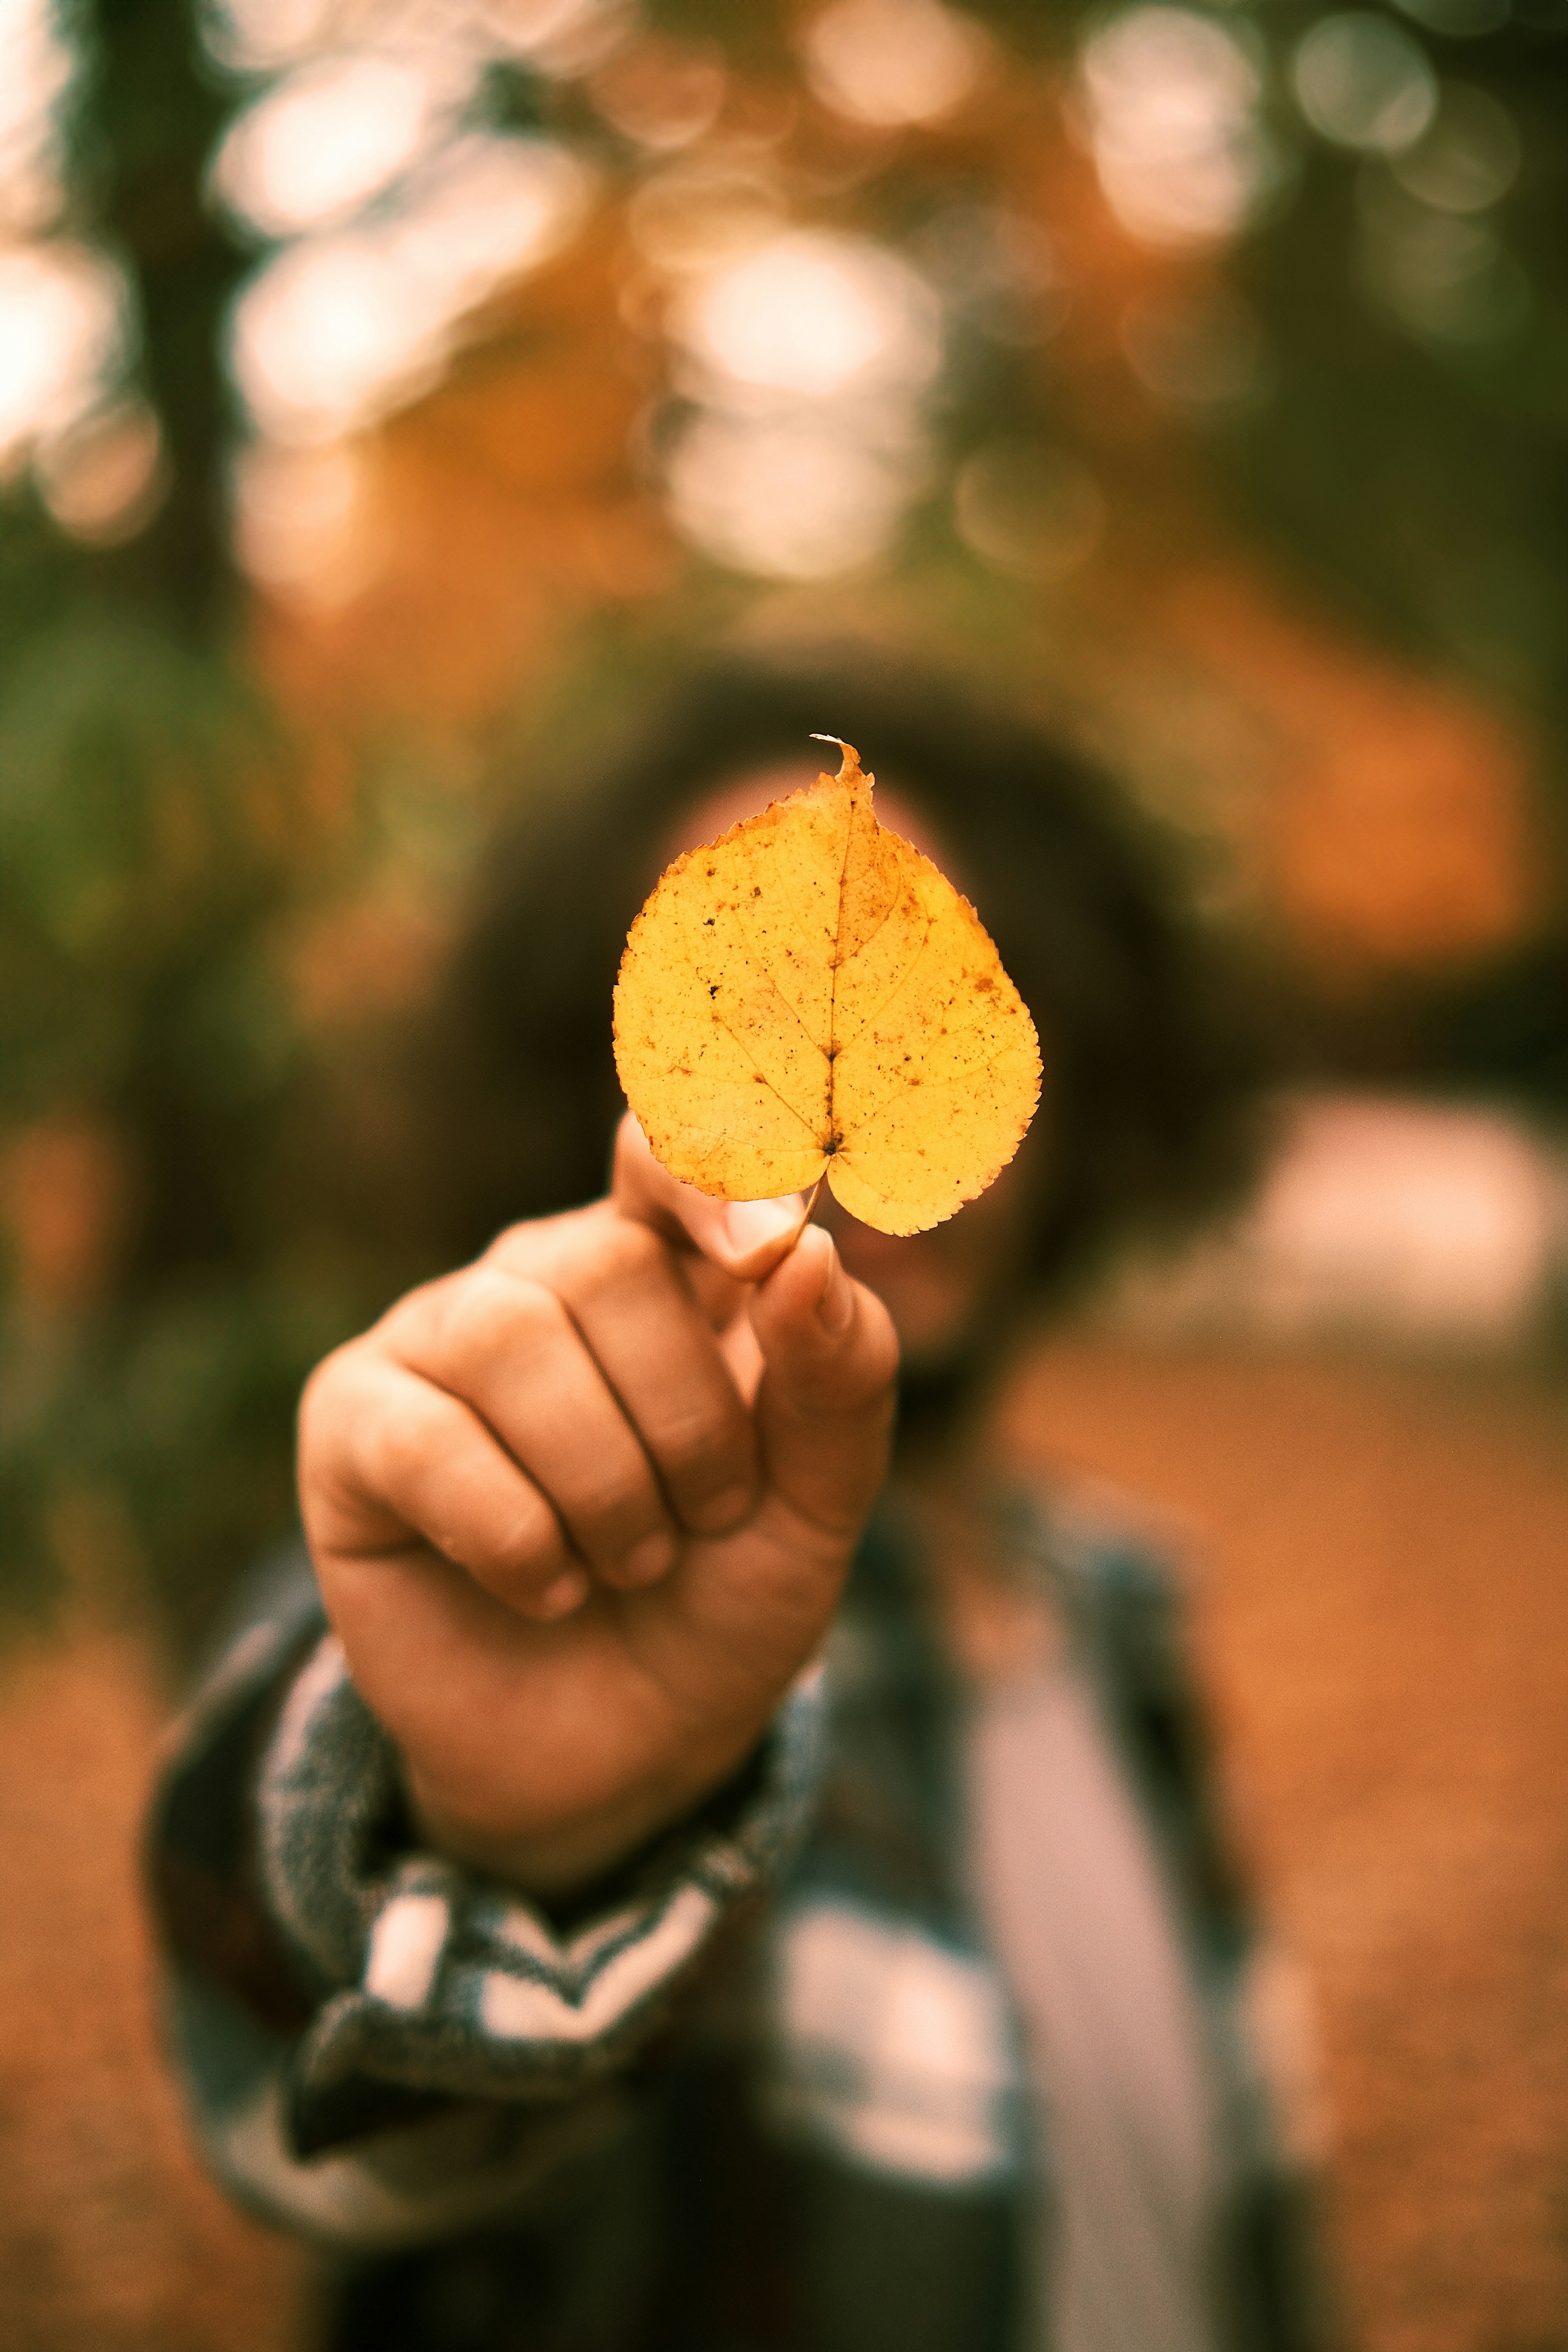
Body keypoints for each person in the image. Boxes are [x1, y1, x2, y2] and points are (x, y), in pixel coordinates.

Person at [147, 653, 1330, 2352]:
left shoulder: (1114, 1615)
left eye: (926, 1002)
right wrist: (517, 1851)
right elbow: (329, 2105)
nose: (826, 1126)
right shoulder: (492, 1567)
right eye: (741, 1016)